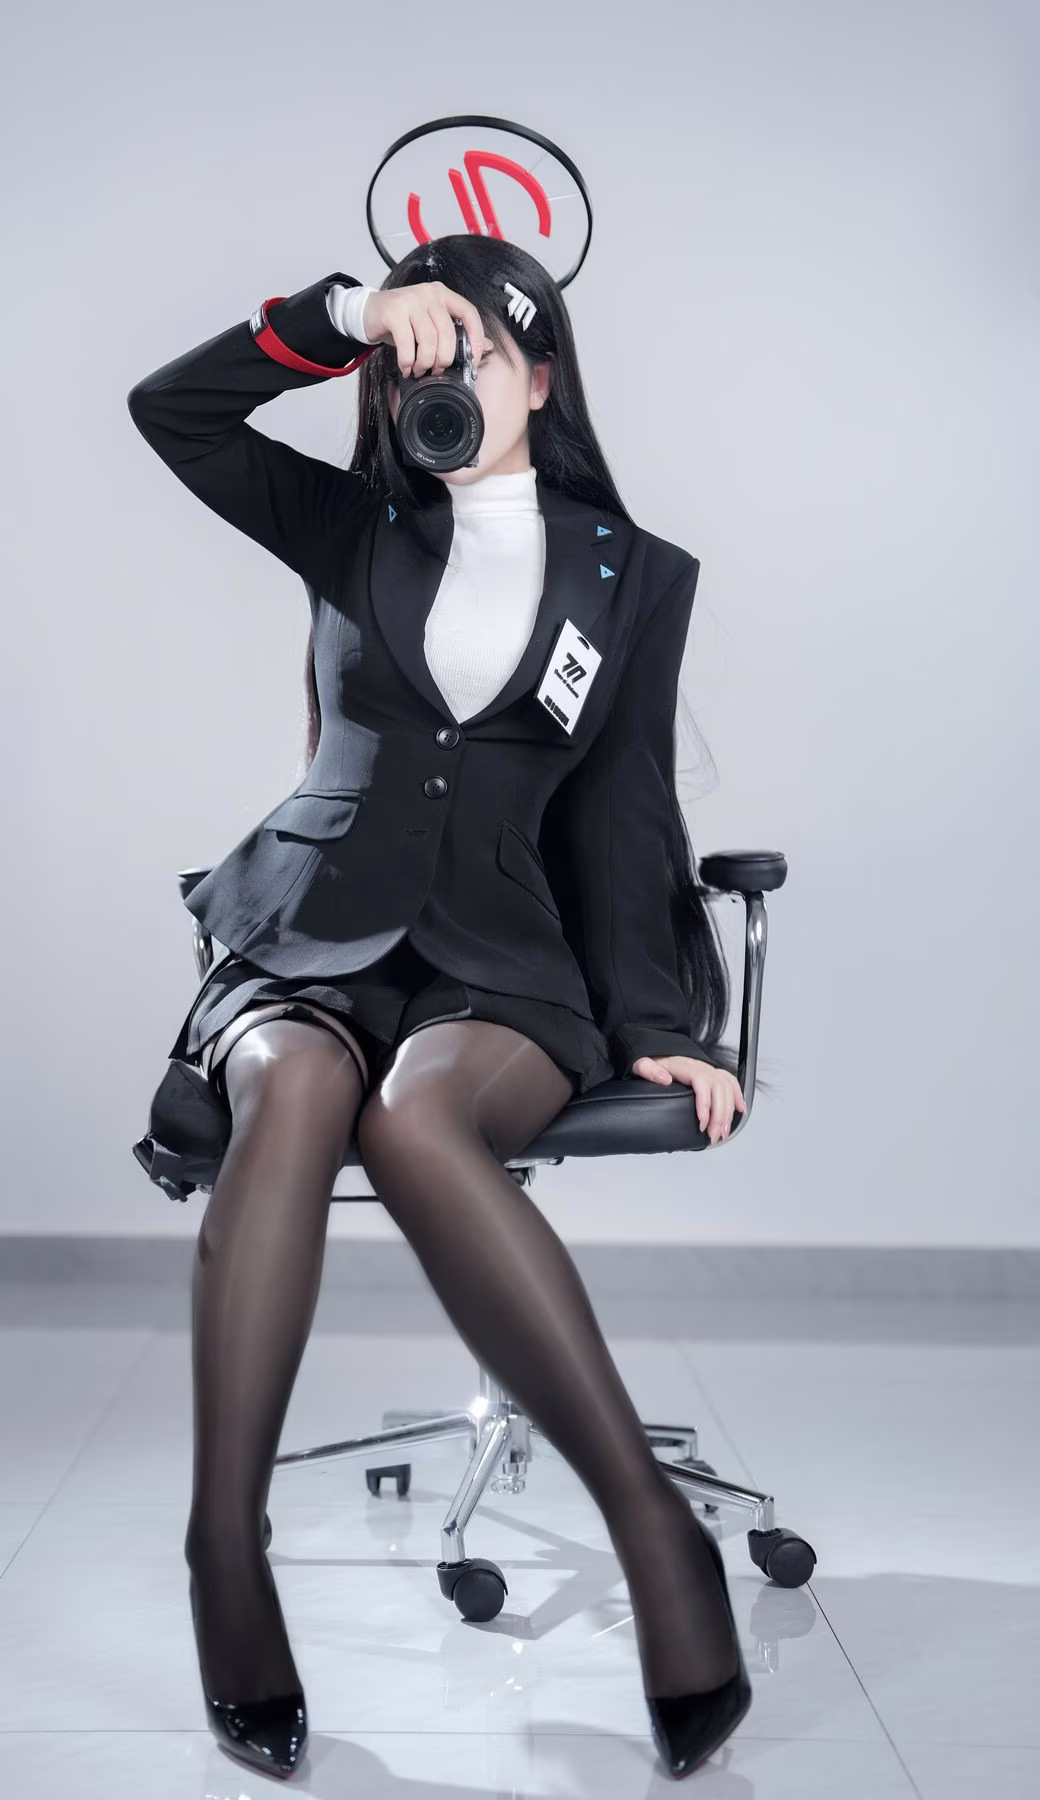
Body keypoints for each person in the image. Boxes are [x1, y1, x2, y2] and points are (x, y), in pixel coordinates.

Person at [126, 232, 751, 1782]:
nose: (448, 377)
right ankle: (224, 1548)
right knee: (291, 1089)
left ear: (540, 375)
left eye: (479, 352)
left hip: (500, 956)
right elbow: (171, 411)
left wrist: (665, 1021)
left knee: (418, 1120)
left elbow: (624, 813)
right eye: (425, 353)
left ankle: (650, 1526)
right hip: (308, 930)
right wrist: (344, 313)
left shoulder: (633, 577)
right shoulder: (351, 526)